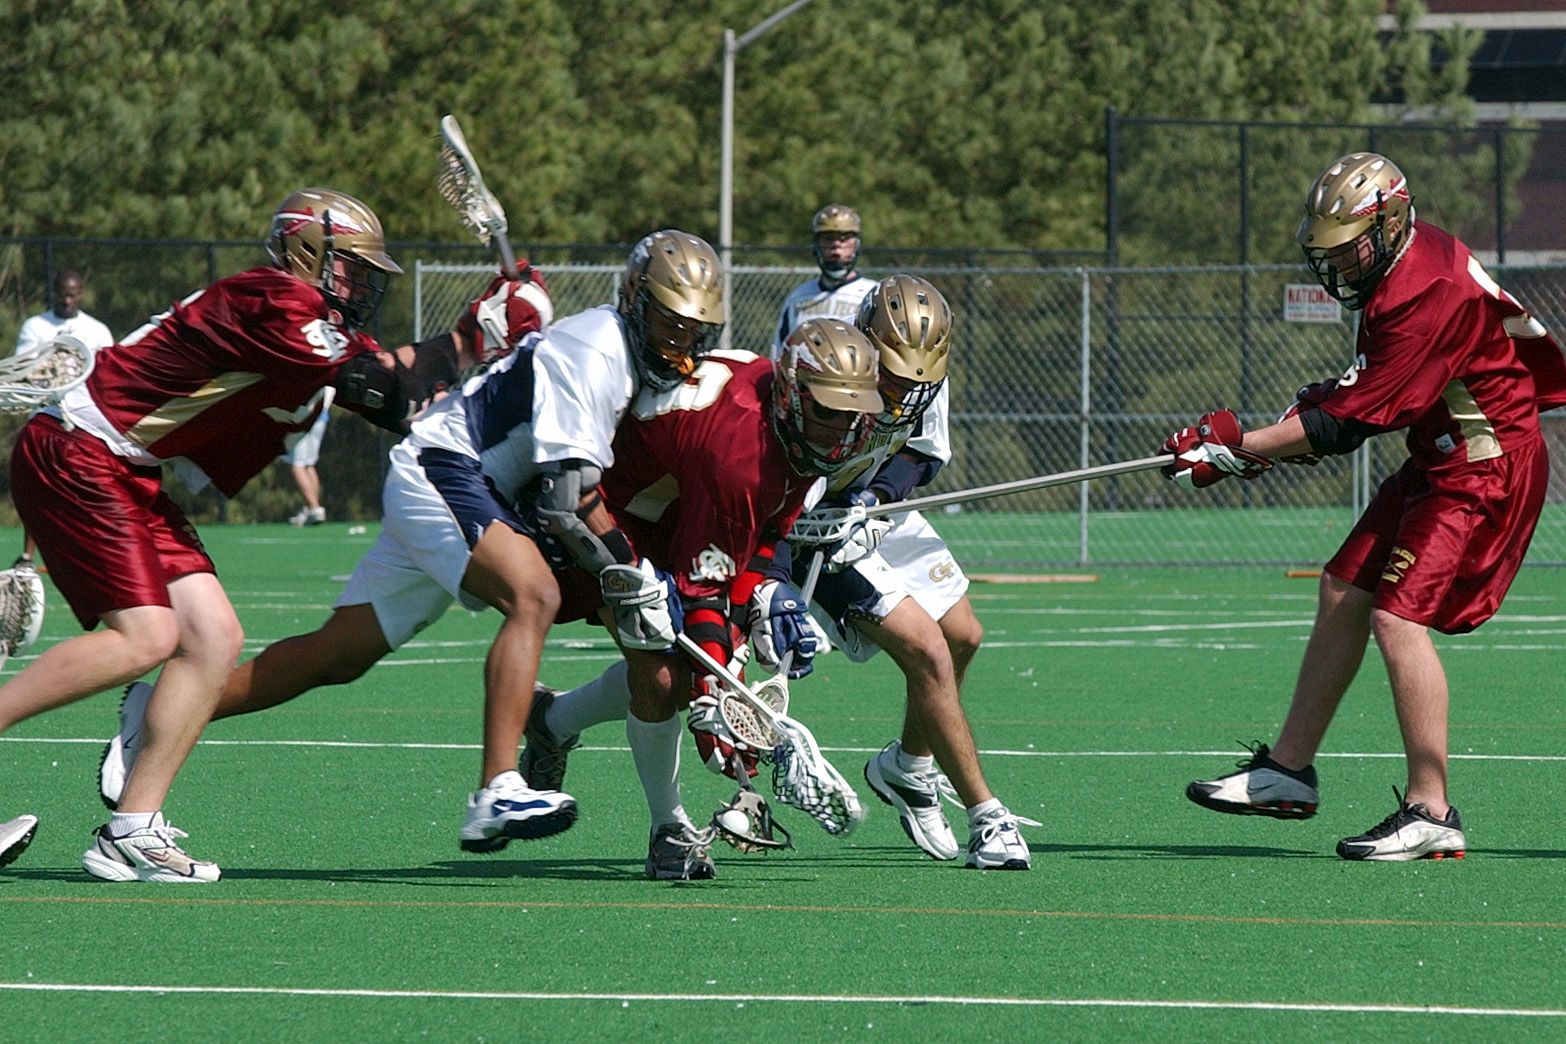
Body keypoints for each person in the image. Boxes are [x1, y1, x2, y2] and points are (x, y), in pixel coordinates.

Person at [97, 229, 722, 859]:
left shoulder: (627, 357)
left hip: (468, 482)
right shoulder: (598, 348)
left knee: (335, 657)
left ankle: (154, 713)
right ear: (634, 299)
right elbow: (568, 501)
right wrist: (635, 575)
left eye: (692, 331)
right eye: (667, 323)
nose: (678, 342)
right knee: (533, 596)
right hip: (446, 467)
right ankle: (497, 789)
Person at [0, 187, 501, 881]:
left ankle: (133, 828)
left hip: (125, 465)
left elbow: (402, 393)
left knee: (213, 639)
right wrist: (474, 337)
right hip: (80, 448)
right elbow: (383, 387)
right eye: (351, 266)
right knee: (145, 637)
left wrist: (485, 336)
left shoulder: (310, 318)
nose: (362, 283)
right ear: (307, 251)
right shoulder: (275, 299)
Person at [1167, 152, 1564, 861]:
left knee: (1397, 617)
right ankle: (1288, 770)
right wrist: (1253, 441)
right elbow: (1359, 394)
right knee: (1343, 587)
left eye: (1349, 246)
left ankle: (1431, 810)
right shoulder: (1404, 263)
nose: (1339, 263)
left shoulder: (1424, 289)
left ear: (1389, 223)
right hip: (1441, 452)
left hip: (1483, 464)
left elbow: (1348, 424)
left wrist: (1238, 448)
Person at [522, 317, 883, 880]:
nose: (839, 429)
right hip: (611, 510)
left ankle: (552, 719)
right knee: (668, 676)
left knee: (686, 670)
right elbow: (706, 589)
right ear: (794, 395)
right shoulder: (741, 453)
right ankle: (668, 829)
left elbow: (766, 531)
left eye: (851, 415)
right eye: (827, 411)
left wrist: (765, 590)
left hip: (679, 507)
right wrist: (713, 697)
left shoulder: (791, 434)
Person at [785, 275, 1034, 870]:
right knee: (927, 652)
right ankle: (987, 817)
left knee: (964, 635)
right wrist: (826, 515)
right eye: (893, 375)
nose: (903, 390)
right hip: (816, 527)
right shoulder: (833, 373)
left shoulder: (926, 375)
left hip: (873, 510)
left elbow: (922, 452)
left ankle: (907, 766)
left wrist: (874, 500)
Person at [11, 268, 116, 565]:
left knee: (92, 488)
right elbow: (25, 369)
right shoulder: (35, 327)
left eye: (72, 295)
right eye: (62, 295)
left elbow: (107, 372)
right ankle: (27, 556)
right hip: (45, 420)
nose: (67, 300)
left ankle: (97, 553)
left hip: (86, 423)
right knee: (38, 488)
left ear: (80, 293)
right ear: (54, 292)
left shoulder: (97, 330)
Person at [774, 204, 878, 351]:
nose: (836, 246)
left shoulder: (873, 295)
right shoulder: (798, 297)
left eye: (844, 238)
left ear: (856, 244)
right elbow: (779, 353)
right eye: (828, 238)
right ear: (817, 244)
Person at [284, 386, 333, 526]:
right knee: (308, 463)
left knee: (297, 465)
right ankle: (313, 508)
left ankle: (314, 508)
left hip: (305, 418)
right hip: (320, 417)